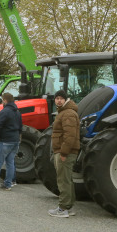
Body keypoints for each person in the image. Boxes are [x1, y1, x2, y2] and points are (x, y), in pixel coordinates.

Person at [48, 90, 80, 218]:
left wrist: (64, 152)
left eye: (61, 98)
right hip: (63, 151)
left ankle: (63, 208)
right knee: (66, 179)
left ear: (66, 99)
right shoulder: (64, 112)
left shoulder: (67, 114)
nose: (59, 100)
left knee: (63, 180)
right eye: (57, 98)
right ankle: (69, 207)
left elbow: (70, 135)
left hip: (65, 152)